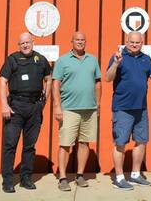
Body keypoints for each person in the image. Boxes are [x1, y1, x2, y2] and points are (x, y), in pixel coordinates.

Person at [105, 32, 151, 191]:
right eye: (132, 42)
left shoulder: (145, 59)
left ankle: (136, 175)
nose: (135, 44)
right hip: (122, 108)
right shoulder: (118, 57)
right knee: (120, 143)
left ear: (142, 42)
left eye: (137, 42)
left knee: (141, 141)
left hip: (141, 108)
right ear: (126, 41)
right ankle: (119, 178)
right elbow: (108, 78)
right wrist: (116, 64)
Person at [0, 32, 52, 193]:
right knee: (10, 145)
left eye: (28, 42)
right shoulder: (12, 59)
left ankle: (26, 178)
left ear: (33, 42)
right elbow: (2, 81)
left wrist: (44, 100)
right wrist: (4, 105)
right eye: (22, 43)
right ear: (19, 45)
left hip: (34, 108)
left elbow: (49, 78)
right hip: (15, 107)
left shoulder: (40, 59)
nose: (25, 45)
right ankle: (7, 181)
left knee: (29, 146)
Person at [52, 32, 100, 192]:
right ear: (71, 42)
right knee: (65, 144)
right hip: (69, 109)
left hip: (89, 109)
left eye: (82, 40)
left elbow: (98, 83)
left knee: (85, 143)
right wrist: (57, 106)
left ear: (85, 42)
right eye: (77, 40)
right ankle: (63, 177)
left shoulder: (92, 60)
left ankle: (80, 175)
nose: (80, 42)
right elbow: (55, 85)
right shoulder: (63, 61)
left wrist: (98, 105)